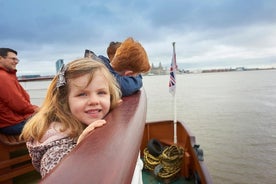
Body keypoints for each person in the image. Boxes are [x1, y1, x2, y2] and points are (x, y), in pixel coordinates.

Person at [20, 58, 122, 177]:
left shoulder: (81, 117)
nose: (94, 101)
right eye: (82, 94)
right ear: (64, 101)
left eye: (101, 93)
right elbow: (57, 175)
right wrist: (80, 151)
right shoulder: (55, 147)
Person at [85, 37, 151, 97]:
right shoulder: (103, 76)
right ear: (128, 74)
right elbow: (128, 87)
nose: (137, 76)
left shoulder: (101, 64)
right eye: (136, 74)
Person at [0, 48, 39, 135]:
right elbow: (19, 105)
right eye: (13, 59)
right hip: (12, 124)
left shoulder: (6, 75)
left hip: (12, 121)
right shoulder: (3, 77)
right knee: (53, 120)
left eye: (17, 59)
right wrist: (37, 109)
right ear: (0, 59)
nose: (16, 62)